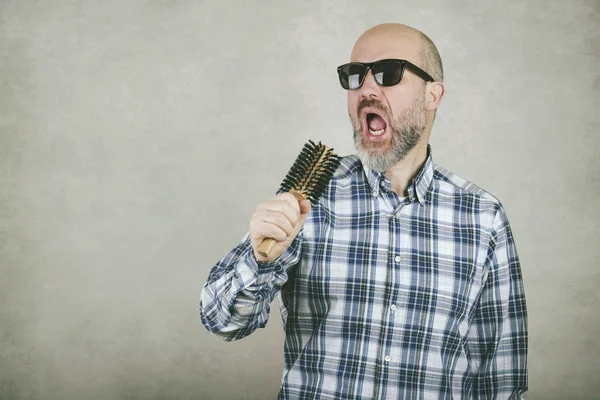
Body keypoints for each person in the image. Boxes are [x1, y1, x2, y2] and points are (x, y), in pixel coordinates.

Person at [200, 23, 528, 399]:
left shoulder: (483, 217)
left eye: (389, 73)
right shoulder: (311, 197)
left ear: (433, 94)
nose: (367, 89)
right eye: (355, 76)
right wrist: (259, 261)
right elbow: (222, 321)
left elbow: (501, 378)